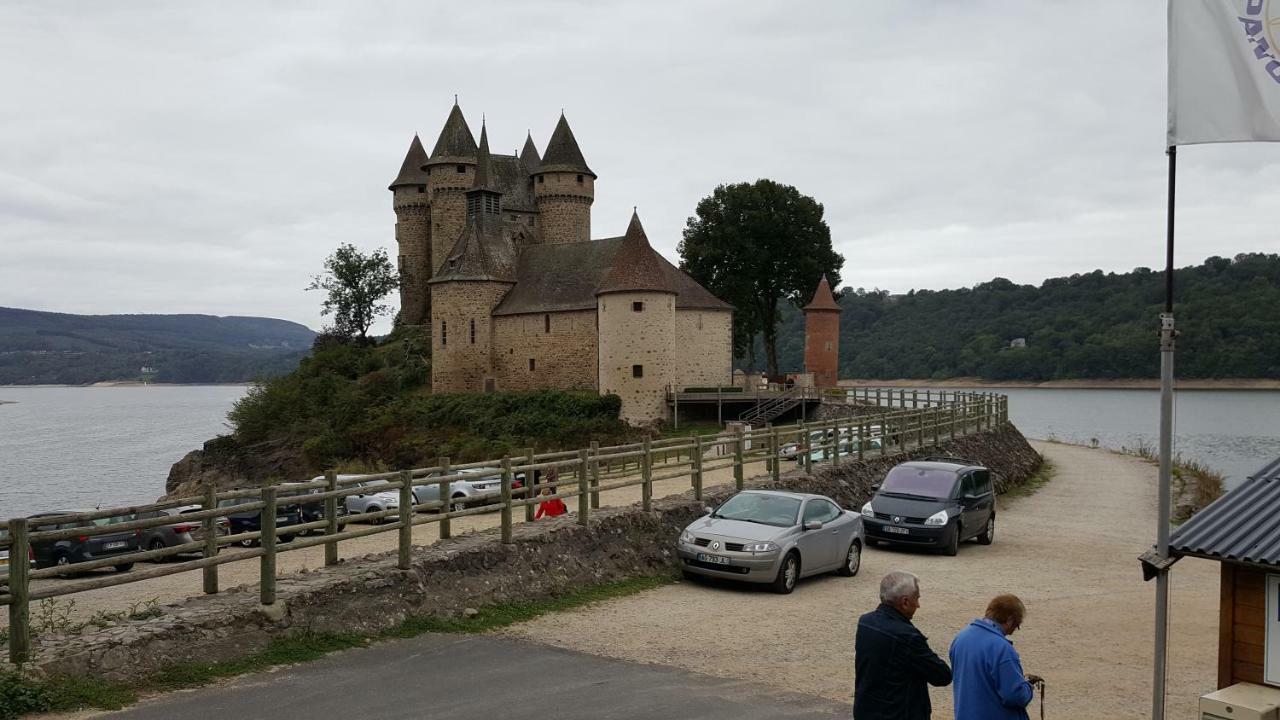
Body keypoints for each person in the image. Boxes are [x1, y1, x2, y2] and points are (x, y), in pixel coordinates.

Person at [854, 571, 952, 720]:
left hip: (866, 711)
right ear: (905, 602)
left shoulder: (865, 622)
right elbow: (942, 676)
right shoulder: (907, 637)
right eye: (917, 599)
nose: (918, 605)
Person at [948, 594, 1040, 720]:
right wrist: (1028, 687)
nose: (1014, 630)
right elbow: (1014, 695)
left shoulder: (960, 638)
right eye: (1017, 625)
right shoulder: (1002, 649)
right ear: (1010, 620)